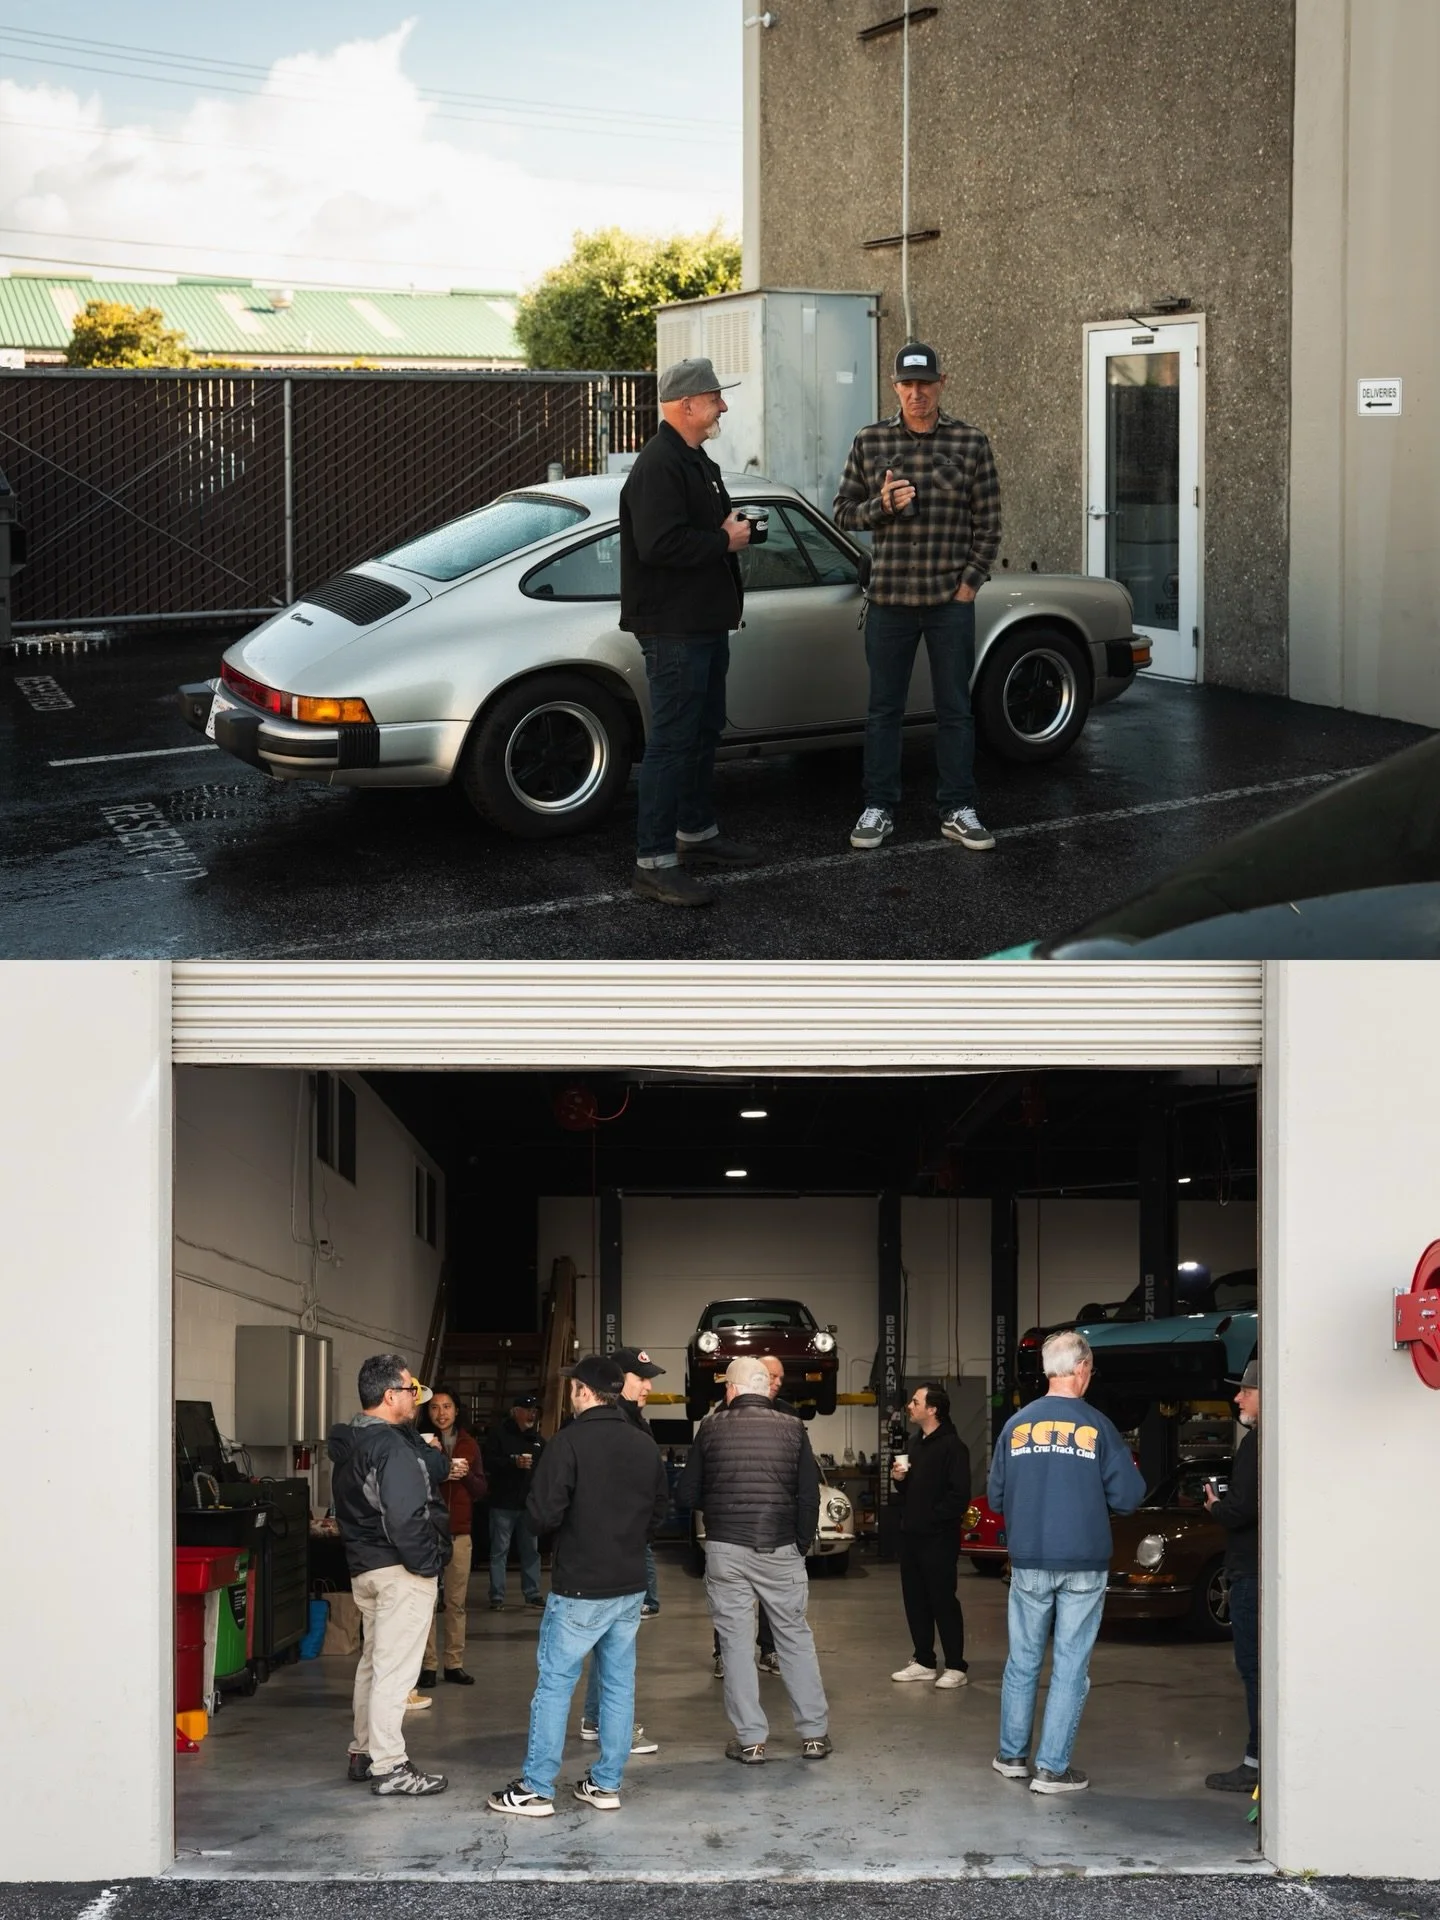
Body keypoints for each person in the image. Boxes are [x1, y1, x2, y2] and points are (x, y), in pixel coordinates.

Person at [832, 340, 1002, 855]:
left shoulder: (971, 443)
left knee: (955, 709)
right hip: (888, 602)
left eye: (925, 383)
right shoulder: (870, 441)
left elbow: (989, 523)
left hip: (950, 602)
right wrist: (880, 506)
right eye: (907, 384)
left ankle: (957, 808)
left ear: (941, 383)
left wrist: (969, 584)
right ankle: (879, 806)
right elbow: (843, 511)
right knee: (884, 710)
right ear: (895, 386)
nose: (916, 393)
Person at [487, 1355, 670, 1817]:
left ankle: (537, 1788)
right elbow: (660, 1512)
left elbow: (540, 1518)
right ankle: (606, 1784)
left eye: (573, 1388)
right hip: (628, 1585)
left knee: (555, 1685)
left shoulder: (566, 1444)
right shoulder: (644, 1444)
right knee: (617, 1685)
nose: (570, 1394)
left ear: (584, 1392)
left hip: (579, 1588)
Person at [619, 354, 760, 908]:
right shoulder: (660, 465)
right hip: (674, 629)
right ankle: (653, 863)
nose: (722, 405)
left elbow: (698, 530)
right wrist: (725, 541)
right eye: (715, 397)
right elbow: (659, 545)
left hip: (701, 623)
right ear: (686, 405)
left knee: (702, 733)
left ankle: (696, 834)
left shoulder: (695, 460)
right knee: (673, 743)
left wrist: (732, 531)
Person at [986, 1330, 1145, 1793]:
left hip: (1030, 1560)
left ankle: (1013, 1756)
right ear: (1081, 1370)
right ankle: (1053, 1770)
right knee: (1071, 1664)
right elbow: (1130, 1497)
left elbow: (996, 1496)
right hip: (1084, 1562)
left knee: (1023, 1659)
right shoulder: (1098, 1426)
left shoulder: (1015, 1426)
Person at [676, 1357, 831, 1764]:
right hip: (780, 1548)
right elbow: (809, 1494)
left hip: (727, 1548)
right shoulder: (794, 1429)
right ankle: (813, 1735)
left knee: (736, 1645)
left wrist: (722, 1505)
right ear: (765, 1388)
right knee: (795, 1639)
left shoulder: (710, 1427)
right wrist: (799, 1543)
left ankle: (751, 1741)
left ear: (733, 1389)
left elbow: (686, 1494)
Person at [327, 1354, 451, 1797]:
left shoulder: (351, 1444)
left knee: (374, 1665)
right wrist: (427, 1564)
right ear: (388, 1395)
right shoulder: (392, 1447)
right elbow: (406, 1516)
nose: (415, 1398)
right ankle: (391, 1765)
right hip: (400, 1571)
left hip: (366, 1567)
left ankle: (363, 1751)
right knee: (396, 1673)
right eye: (408, 1390)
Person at [578, 1345, 665, 1756]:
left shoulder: (634, 1422)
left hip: (623, 1550)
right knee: (615, 1649)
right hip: (610, 1557)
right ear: (618, 1380)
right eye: (641, 1378)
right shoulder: (615, 1426)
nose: (647, 1386)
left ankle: (596, 1719)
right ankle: (611, 1723)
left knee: (609, 1644)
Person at [889, 1382, 973, 1690]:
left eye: (915, 1402)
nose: (910, 1406)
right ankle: (924, 1660)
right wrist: (900, 1480)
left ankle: (955, 1665)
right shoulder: (914, 1443)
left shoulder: (953, 1447)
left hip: (938, 1538)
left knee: (942, 1600)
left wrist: (931, 1519)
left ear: (932, 1409)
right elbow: (911, 1491)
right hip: (911, 1536)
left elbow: (959, 1496)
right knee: (915, 1600)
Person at [710, 1352, 788, 1680]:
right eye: (770, 1376)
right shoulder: (720, 1417)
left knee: (772, 1599)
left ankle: (768, 1650)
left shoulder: (788, 1417)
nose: (775, 1382)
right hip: (731, 1529)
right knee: (729, 1602)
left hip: (772, 1529)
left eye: (780, 1378)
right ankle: (724, 1654)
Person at [1204, 1359, 1260, 1792]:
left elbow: (1242, 1510)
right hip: (1263, 1571)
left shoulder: (1255, 1445)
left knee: (1253, 1668)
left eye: (1246, 1390)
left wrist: (1215, 1507)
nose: (1238, 1397)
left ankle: (1256, 1762)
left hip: (1248, 1574)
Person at [416, 1386, 487, 1688]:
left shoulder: (470, 1444)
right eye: (434, 1408)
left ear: (457, 1410)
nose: (441, 1413)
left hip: (459, 1533)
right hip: (427, 1532)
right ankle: (428, 1665)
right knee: (427, 1603)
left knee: (456, 1603)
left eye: (446, 1407)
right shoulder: (420, 1443)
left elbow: (482, 1490)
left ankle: (454, 1664)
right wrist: (437, 1466)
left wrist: (465, 1475)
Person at [482, 1394, 545, 1611]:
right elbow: (488, 1462)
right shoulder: (499, 1435)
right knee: (500, 1551)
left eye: (534, 1411)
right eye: (527, 1410)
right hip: (503, 1503)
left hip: (528, 1505)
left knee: (531, 1551)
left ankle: (533, 1593)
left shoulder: (537, 1439)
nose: (531, 1414)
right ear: (515, 1411)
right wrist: (512, 1462)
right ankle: (497, 1595)